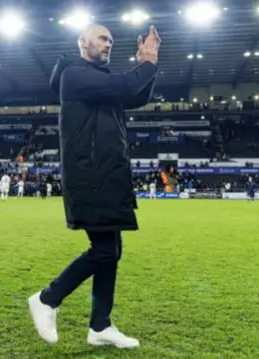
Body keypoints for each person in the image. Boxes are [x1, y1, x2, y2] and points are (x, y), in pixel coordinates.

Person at [28, 24, 160, 348]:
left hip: (108, 175)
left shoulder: (100, 83)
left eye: (112, 41)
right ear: (82, 42)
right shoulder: (75, 74)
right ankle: (47, 299)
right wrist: (148, 61)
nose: (108, 44)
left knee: (111, 252)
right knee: (103, 250)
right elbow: (128, 85)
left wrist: (148, 65)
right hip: (90, 176)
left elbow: (136, 94)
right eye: (102, 38)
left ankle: (100, 326)